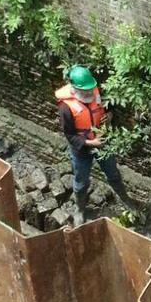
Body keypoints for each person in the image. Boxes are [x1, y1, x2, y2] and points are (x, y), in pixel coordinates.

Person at [56, 66, 131, 223]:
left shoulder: (95, 92)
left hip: (102, 144)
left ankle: (126, 200)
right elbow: (70, 136)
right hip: (82, 150)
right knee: (81, 181)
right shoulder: (65, 108)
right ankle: (80, 209)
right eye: (86, 91)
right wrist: (91, 143)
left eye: (91, 89)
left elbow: (108, 107)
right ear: (75, 89)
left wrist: (110, 115)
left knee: (113, 174)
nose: (90, 93)